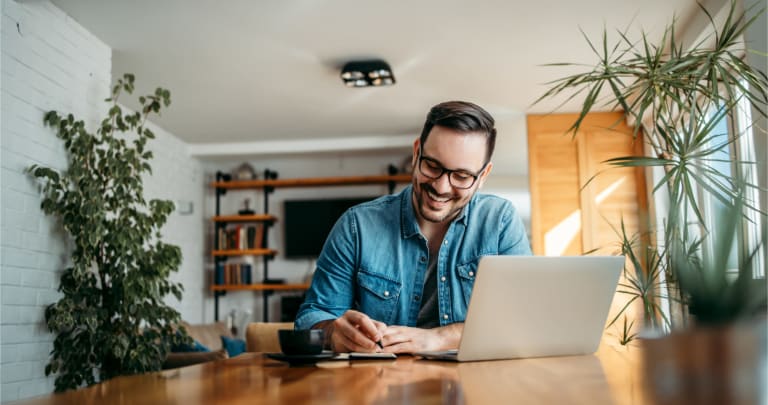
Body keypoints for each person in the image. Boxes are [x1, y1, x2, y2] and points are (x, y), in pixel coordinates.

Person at [294, 101, 531, 353]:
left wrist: (439, 338)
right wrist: (332, 332)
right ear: (417, 152)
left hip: (474, 385)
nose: (441, 187)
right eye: (432, 166)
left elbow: (524, 318)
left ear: (483, 176)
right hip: (379, 383)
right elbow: (310, 318)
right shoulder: (357, 226)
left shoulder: (500, 221)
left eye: (462, 176)